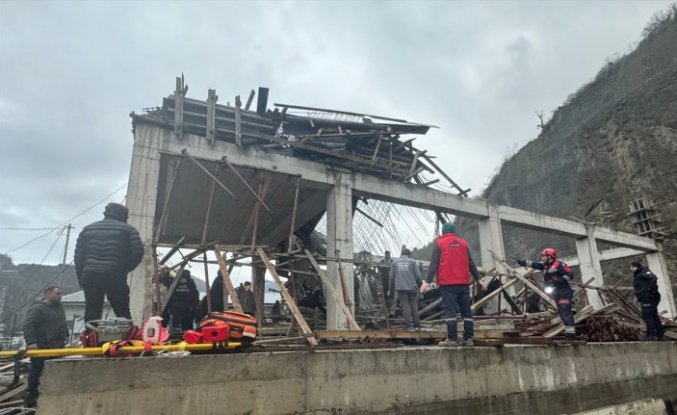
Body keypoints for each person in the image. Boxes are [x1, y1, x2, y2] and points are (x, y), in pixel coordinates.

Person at [74, 202, 144, 324]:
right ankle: (126, 340)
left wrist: (81, 277)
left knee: (92, 311)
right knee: (122, 311)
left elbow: (79, 257)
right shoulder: (129, 230)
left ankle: (91, 339)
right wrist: (123, 269)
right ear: (123, 215)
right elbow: (138, 253)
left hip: (90, 275)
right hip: (114, 275)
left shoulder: (88, 229)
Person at [420, 222, 480, 347]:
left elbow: (433, 264)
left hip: (447, 284)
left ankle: (452, 339)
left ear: (443, 232)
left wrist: (426, 282)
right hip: (463, 283)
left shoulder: (439, 243)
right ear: (454, 231)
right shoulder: (464, 244)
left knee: (450, 310)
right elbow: (471, 263)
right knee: (466, 311)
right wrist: (479, 279)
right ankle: (468, 339)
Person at [515, 248, 576, 340]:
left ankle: (571, 336)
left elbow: (570, 275)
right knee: (563, 313)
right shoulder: (545, 266)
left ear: (550, 257)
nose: (542, 257)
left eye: (543, 256)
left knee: (565, 312)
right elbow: (534, 264)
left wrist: (557, 281)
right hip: (557, 292)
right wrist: (522, 262)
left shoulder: (559, 265)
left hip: (564, 292)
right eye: (542, 256)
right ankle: (569, 334)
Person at [23, 286, 68, 407]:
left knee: (55, 370)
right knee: (36, 370)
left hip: (57, 346)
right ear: (47, 294)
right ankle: (32, 395)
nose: (60, 296)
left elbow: (62, 323)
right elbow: (28, 326)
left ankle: (51, 393)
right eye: (57, 294)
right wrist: (31, 342)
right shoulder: (38, 309)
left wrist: (66, 335)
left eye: (61, 294)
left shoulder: (59, 308)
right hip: (42, 346)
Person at [389, 248, 422, 330]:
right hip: (412, 288)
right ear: (409, 254)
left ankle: (408, 326)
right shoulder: (413, 262)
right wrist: (420, 286)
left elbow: (391, 277)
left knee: (405, 305)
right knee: (414, 304)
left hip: (401, 288)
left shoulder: (394, 263)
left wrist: (390, 289)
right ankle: (417, 325)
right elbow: (418, 276)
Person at [631, 261, 664, 340]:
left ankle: (652, 335)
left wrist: (649, 290)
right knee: (653, 315)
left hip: (648, 298)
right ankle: (659, 334)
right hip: (645, 298)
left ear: (637, 267)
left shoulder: (643, 272)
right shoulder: (638, 274)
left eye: (632, 267)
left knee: (648, 315)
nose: (631, 269)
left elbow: (653, 278)